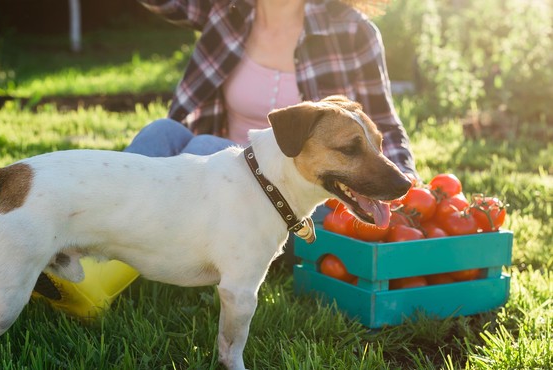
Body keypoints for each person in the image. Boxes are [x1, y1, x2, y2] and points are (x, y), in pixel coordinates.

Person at [32, 0, 419, 317]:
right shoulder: (228, 11)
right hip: (213, 184)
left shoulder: (352, 30)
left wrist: (404, 185)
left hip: (283, 199)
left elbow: (382, 122)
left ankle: (93, 285)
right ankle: (73, 242)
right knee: (162, 132)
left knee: (204, 147)